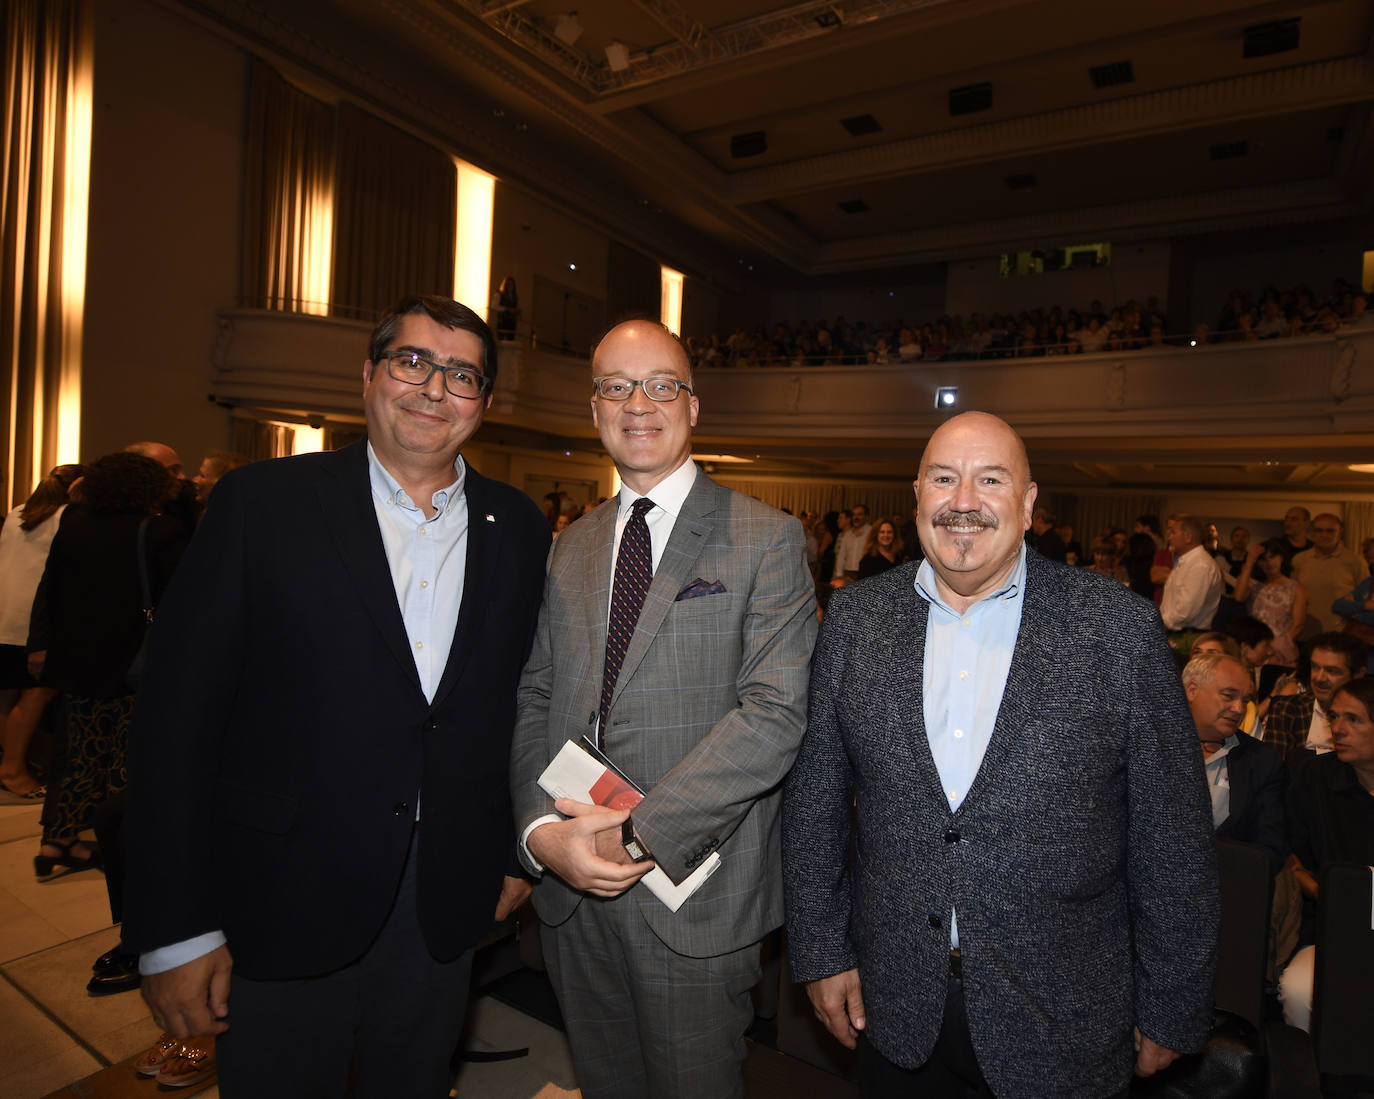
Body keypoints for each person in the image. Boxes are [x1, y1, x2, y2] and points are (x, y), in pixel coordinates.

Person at [122, 295, 549, 1097]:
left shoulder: (517, 526)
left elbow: (522, 707)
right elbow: (175, 724)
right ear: (369, 374)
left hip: (443, 901)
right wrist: (173, 930)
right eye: (412, 362)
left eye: (461, 375)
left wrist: (514, 852)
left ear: (484, 403)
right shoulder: (261, 504)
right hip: (281, 893)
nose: (433, 388)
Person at [784, 411, 1217, 1098]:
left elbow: (1173, 835)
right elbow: (814, 805)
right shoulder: (856, 620)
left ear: (1029, 501)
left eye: (990, 479)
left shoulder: (1118, 628)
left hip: (1063, 1020)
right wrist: (820, 949)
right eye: (944, 479)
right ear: (918, 492)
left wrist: (1172, 1000)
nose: (963, 502)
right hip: (893, 1005)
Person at [510, 319, 816, 1099]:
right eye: (616, 385)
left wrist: (637, 830)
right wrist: (542, 832)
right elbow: (537, 696)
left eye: (660, 385)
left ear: (693, 404)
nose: (637, 403)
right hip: (573, 888)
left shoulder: (766, 537)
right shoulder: (570, 543)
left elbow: (774, 714)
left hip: (693, 893)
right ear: (594, 408)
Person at [1278, 676, 1374, 1032]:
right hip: (1330, 929)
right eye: (1334, 717)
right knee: (1300, 991)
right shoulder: (1315, 777)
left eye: (1354, 719)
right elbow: (1286, 850)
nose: (1339, 728)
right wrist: (1321, 891)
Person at [0, 463, 82, 799]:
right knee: (38, 693)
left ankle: (16, 762)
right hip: (34, 620)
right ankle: (13, 769)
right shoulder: (69, 518)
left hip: (5, 613)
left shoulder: (18, 512)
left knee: (6, 697)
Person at [1181, 652, 1286, 872]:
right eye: (1229, 695)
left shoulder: (1261, 761)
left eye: (1246, 700)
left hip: (1226, 890)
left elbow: (1271, 850)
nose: (1239, 709)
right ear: (1192, 691)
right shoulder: (1147, 747)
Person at [1262, 632, 1367, 764]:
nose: (1319, 678)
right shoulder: (1289, 708)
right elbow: (1272, 768)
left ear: (1358, 675)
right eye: (1315, 667)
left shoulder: (1367, 717)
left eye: (1332, 671)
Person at [1233, 538, 1307, 667]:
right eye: (1263, 560)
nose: (1269, 563)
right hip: (1254, 648)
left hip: (1281, 651)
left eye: (1272, 557)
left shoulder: (1296, 587)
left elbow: (1298, 625)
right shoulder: (1254, 584)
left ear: (1281, 558)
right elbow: (1239, 597)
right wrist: (1250, 561)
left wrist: (1273, 648)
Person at [1291, 513, 1368, 632]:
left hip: (1341, 634)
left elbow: (1367, 599)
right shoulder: (1299, 560)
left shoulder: (1355, 561)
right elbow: (1292, 596)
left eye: (1330, 531)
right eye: (1319, 530)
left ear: (1340, 532)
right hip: (1304, 633)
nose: (1324, 535)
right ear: (1312, 532)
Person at [1159, 514, 1222, 632]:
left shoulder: (1200, 565)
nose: (1169, 537)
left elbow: (1185, 612)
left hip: (1188, 636)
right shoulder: (1185, 561)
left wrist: (1159, 625)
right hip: (1173, 631)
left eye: (1173, 533)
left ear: (1188, 537)